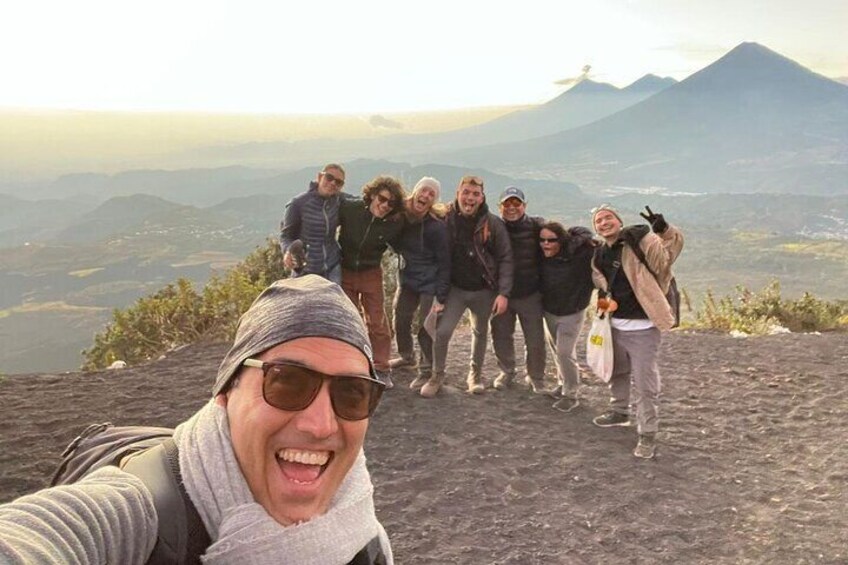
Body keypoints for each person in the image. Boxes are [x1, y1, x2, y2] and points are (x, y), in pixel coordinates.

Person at [0, 276, 394, 564]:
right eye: (287, 382)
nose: (321, 424)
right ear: (226, 391)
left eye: (352, 392)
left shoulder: (359, 526)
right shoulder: (139, 515)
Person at [590, 204, 683, 459]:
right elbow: (602, 284)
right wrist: (603, 304)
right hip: (614, 327)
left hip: (644, 328)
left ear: (619, 221)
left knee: (645, 383)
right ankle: (619, 411)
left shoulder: (639, 242)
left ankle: (647, 434)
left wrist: (664, 230)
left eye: (608, 217)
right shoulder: (600, 254)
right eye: (599, 221)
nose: (604, 223)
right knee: (617, 371)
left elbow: (666, 257)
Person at [421, 175, 513, 397]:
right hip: (455, 289)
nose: (470, 198)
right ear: (458, 194)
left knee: (480, 332)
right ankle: (437, 376)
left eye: (475, 194)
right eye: (466, 193)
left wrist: (503, 293)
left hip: (484, 290)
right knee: (442, 332)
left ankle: (475, 375)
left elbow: (506, 258)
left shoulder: (493, 224)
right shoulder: (444, 217)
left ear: (481, 198)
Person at [338, 176, 406, 385]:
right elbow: (329, 202)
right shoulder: (351, 209)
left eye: (391, 203)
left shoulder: (393, 224)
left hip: (370, 272)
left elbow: (406, 239)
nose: (385, 205)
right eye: (382, 199)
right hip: (345, 270)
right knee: (349, 321)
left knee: (376, 322)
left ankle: (381, 367)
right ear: (372, 196)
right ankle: (351, 365)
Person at [389, 177, 451, 390]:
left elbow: (445, 263)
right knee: (400, 318)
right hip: (408, 280)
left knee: (426, 326)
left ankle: (427, 370)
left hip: (430, 283)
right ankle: (407, 356)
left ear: (433, 201)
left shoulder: (436, 228)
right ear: (415, 192)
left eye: (431, 194)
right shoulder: (401, 218)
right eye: (423, 190)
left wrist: (441, 296)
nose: (425, 195)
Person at [490, 186, 547, 393]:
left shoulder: (537, 226)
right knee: (501, 335)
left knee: (535, 340)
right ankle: (506, 371)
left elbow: (560, 236)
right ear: (500, 207)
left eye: (516, 203)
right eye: (507, 203)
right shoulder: (494, 228)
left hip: (530, 293)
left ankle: (536, 377)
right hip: (501, 294)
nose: (512, 208)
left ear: (525, 206)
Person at [538, 221, 598, 412]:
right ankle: (562, 383)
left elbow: (588, 240)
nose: (546, 244)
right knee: (557, 351)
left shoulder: (578, 256)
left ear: (561, 241)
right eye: (542, 240)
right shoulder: (541, 256)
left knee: (565, 352)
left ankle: (571, 393)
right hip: (550, 310)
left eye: (551, 240)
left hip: (572, 311)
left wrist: (584, 239)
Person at [280, 163, 347, 284]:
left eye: (338, 182)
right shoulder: (298, 203)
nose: (333, 183)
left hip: (332, 269)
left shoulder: (339, 200)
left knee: (332, 303)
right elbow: (286, 235)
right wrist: (288, 252)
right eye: (329, 177)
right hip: (305, 270)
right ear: (320, 177)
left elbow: (361, 203)